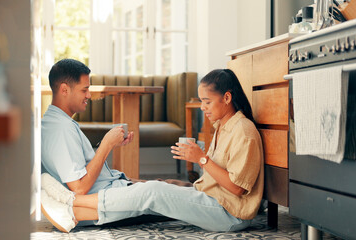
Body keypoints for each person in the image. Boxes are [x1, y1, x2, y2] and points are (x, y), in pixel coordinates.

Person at [41, 68, 264, 233]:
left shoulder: (243, 131)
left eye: (206, 102)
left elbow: (237, 189)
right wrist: (194, 165)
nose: (202, 107)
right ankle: (70, 205)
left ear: (226, 98)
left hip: (230, 213)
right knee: (160, 187)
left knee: (154, 192)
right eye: (201, 101)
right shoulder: (223, 126)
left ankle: (69, 203)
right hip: (216, 201)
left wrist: (201, 159)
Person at [41, 59, 188, 227]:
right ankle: (217, 201)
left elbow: (78, 166)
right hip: (107, 200)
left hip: (111, 187)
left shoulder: (55, 122)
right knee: (172, 194)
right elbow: (79, 188)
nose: (89, 95)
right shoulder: (61, 129)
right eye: (85, 90)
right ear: (64, 90)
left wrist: (110, 143)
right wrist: (106, 145)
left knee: (170, 185)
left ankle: (215, 194)